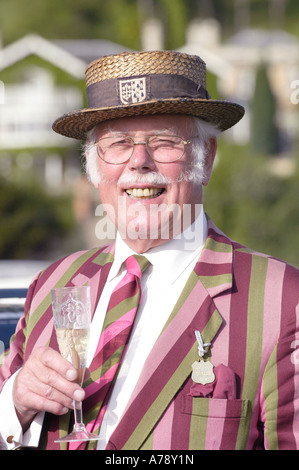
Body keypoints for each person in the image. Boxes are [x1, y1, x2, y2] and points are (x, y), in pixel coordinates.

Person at [0, 50, 298, 451]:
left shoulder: (281, 298)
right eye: (118, 143)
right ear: (94, 166)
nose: (139, 162)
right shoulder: (52, 283)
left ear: (205, 158)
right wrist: (15, 403)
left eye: (164, 142)